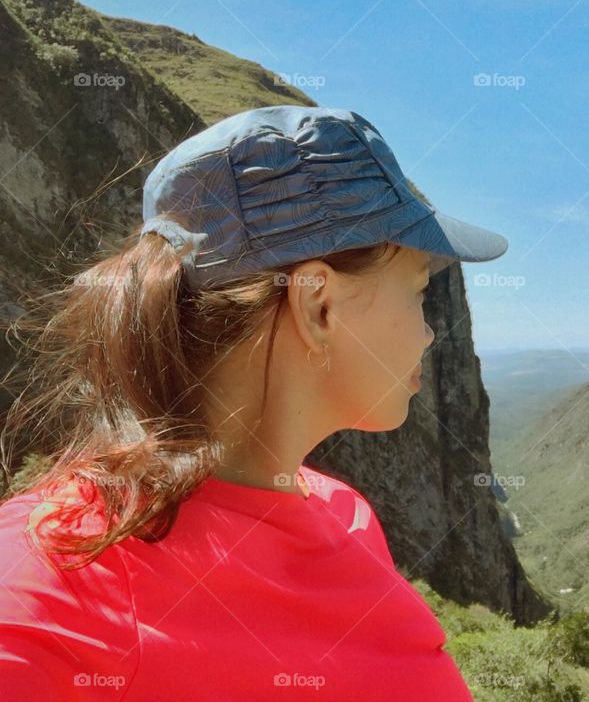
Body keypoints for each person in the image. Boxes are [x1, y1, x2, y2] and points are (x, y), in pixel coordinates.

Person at [0, 105, 508, 700]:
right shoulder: (45, 604)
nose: (428, 333)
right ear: (319, 303)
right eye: (419, 291)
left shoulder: (347, 515)